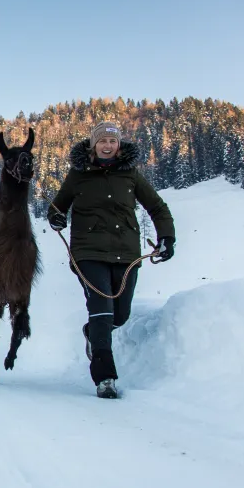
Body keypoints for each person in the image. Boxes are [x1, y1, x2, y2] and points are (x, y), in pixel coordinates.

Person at [47, 122, 176, 399]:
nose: (107, 145)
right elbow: (58, 205)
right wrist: (56, 217)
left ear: (119, 146)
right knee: (102, 309)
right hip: (88, 252)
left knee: (120, 315)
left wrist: (167, 237)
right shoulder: (78, 175)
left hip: (125, 253)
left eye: (112, 141)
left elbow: (157, 206)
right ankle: (105, 378)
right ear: (93, 145)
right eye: (102, 141)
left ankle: (93, 332)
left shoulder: (130, 174)